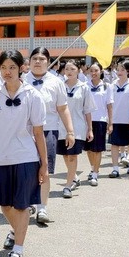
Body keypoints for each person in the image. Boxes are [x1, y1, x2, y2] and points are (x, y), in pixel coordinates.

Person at [0, 50, 47, 257]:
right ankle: (17, 230)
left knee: (21, 206)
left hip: (25, 157)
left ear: (21, 68)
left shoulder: (32, 95)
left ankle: (18, 250)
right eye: (3, 67)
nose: (7, 72)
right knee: (4, 204)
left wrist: (44, 164)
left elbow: (38, 132)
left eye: (12, 67)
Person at [23, 47, 75, 224]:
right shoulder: (21, 80)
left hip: (48, 131)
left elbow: (63, 108)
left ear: (49, 62)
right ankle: (29, 203)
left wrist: (70, 131)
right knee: (27, 171)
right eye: (34, 58)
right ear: (29, 61)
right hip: (25, 133)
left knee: (44, 170)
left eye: (42, 59)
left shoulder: (56, 82)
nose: (38, 62)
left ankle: (42, 208)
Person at [57, 60, 95, 198]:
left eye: (72, 69)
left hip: (78, 127)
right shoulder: (60, 86)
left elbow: (88, 110)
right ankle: (74, 177)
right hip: (61, 126)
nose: (69, 71)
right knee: (66, 155)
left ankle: (68, 186)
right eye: (67, 69)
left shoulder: (84, 87)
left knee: (72, 155)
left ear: (78, 70)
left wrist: (90, 129)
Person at [108, 60, 129, 178]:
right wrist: (110, 121)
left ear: (127, 71)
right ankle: (115, 168)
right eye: (118, 69)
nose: (120, 72)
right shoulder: (112, 85)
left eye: (122, 70)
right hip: (116, 119)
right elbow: (109, 104)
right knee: (114, 144)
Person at [83, 62, 113, 186]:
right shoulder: (85, 86)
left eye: (96, 70)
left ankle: (95, 173)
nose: (93, 73)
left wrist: (110, 123)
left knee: (97, 149)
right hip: (86, 121)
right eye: (91, 71)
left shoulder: (107, 86)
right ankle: (92, 168)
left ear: (101, 71)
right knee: (89, 149)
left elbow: (109, 106)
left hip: (100, 120)